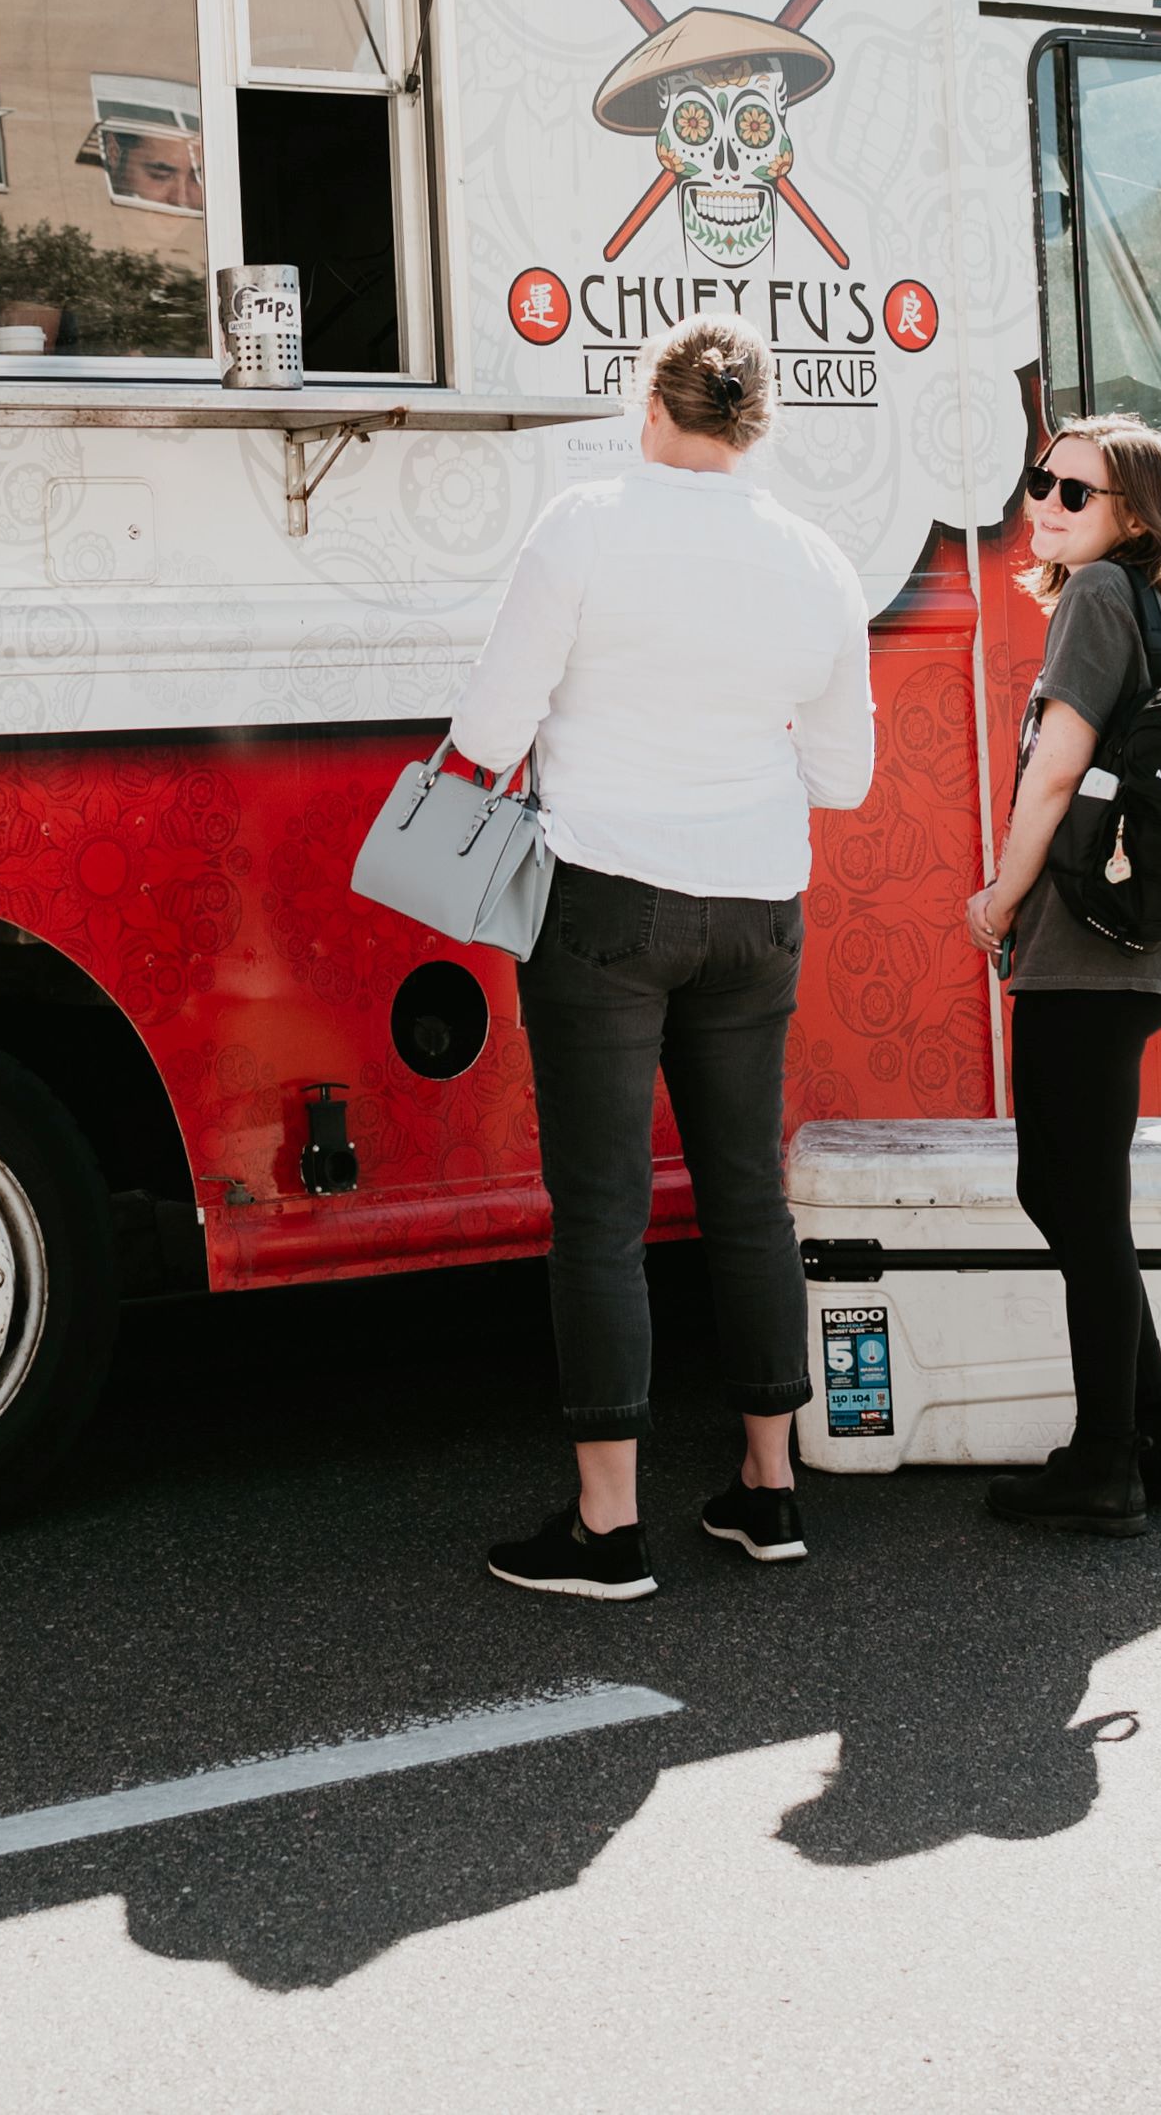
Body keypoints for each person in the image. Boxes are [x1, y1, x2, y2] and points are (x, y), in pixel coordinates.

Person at [446, 317, 878, 1597]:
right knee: (747, 1195)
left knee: (605, 1213)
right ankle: (769, 1489)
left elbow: (487, 725)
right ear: (754, 427)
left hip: (606, 901)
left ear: (653, 405)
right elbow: (842, 776)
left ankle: (608, 1528)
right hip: (756, 910)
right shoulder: (816, 560)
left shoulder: (583, 524)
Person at [963, 417, 1161, 1532]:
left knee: (1078, 1200)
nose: (1051, 503)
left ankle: (1106, 1459)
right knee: (1066, 1191)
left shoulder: (1101, 600)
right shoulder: (1146, 607)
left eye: (1078, 492)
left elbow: (1057, 772)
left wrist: (1000, 897)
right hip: (1134, 949)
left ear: (1132, 519)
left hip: (1083, 948)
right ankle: (1157, 1440)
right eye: (1043, 482)